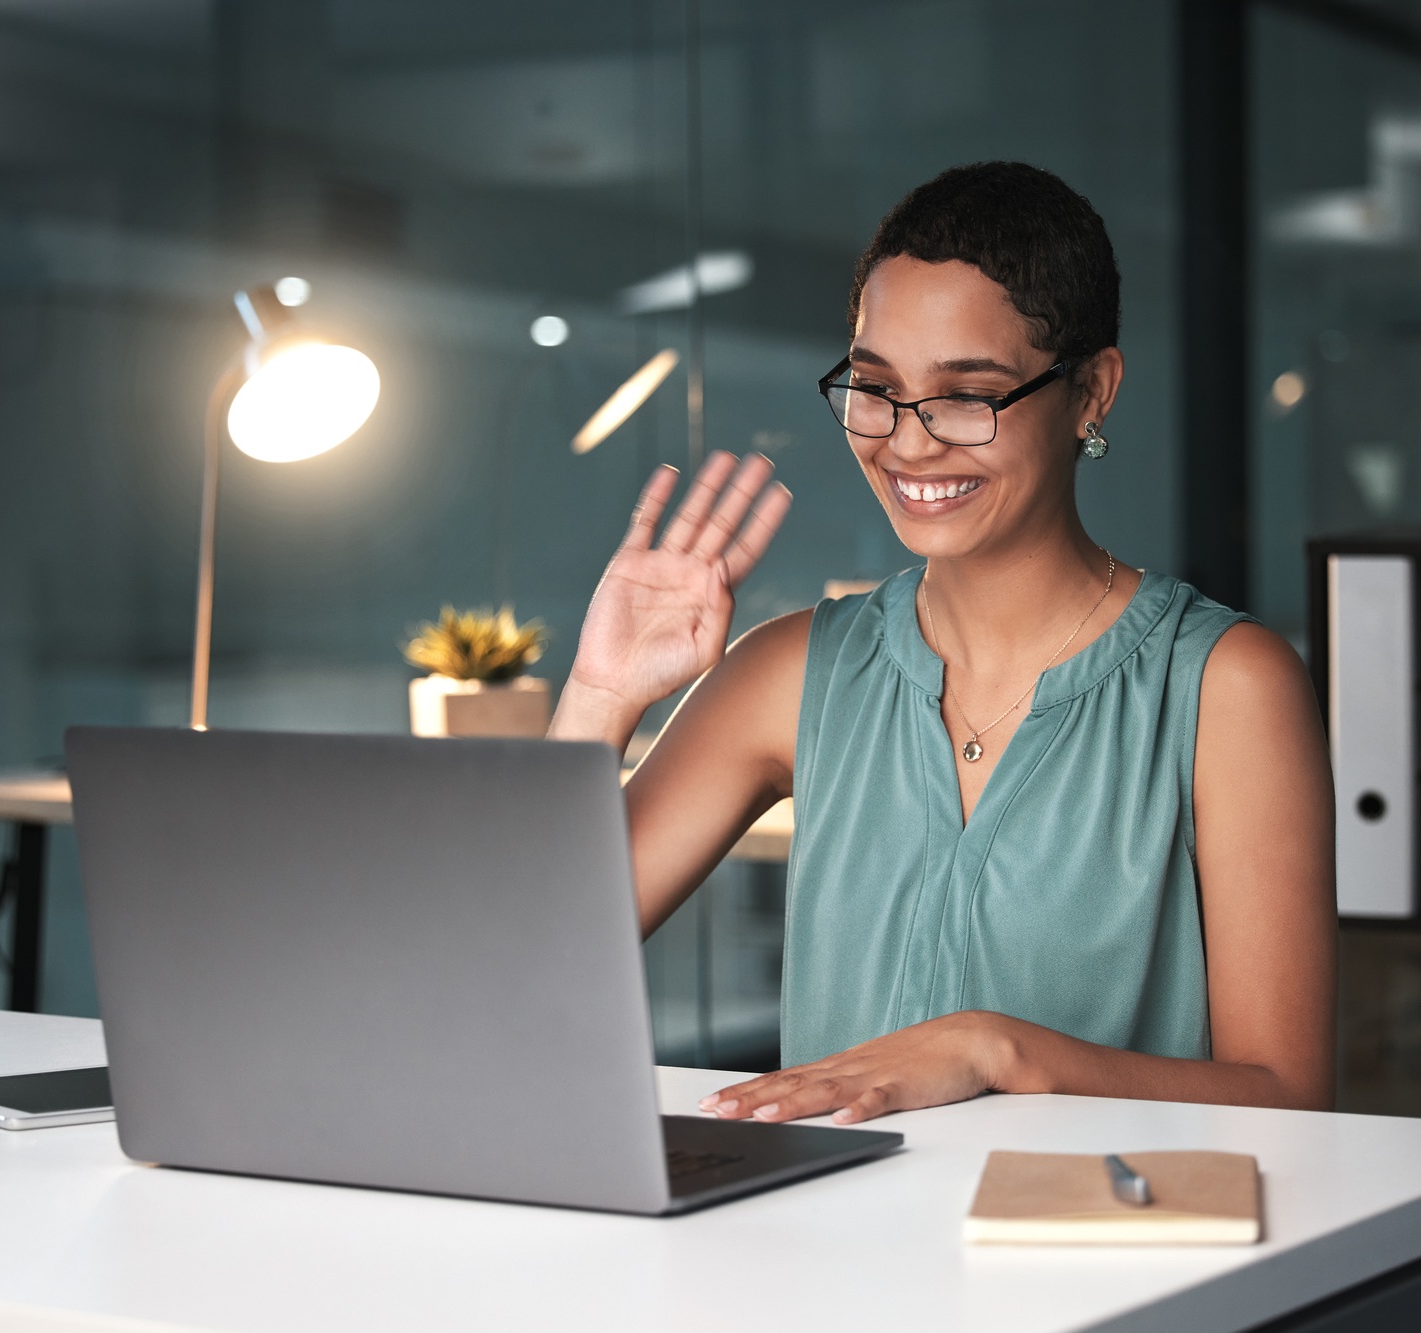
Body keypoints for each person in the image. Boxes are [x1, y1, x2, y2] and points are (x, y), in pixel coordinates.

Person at [550, 162, 1335, 1125]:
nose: (910, 443)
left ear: (1091, 391)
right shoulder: (789, 672)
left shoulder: (1225, 685)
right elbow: (539, 958)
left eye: (968, 394)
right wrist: (601, 694)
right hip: (828, 1223)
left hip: (1101, 1224)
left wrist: (992, 1049)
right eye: (876, 387)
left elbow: (1291, 1096)